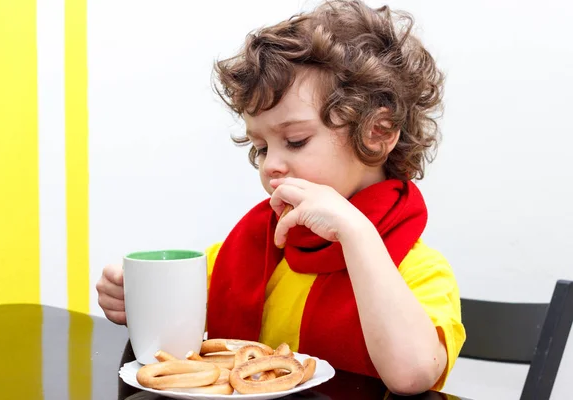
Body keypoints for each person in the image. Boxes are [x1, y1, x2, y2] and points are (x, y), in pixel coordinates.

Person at [96, 0, 465, 394]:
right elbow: (176, 348)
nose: (271, 164)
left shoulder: (420, 272)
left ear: (379, 130)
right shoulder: (245, 250)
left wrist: (357, 233)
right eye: (260, 148)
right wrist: (132, 300)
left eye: (295, 140)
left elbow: (412, 377)